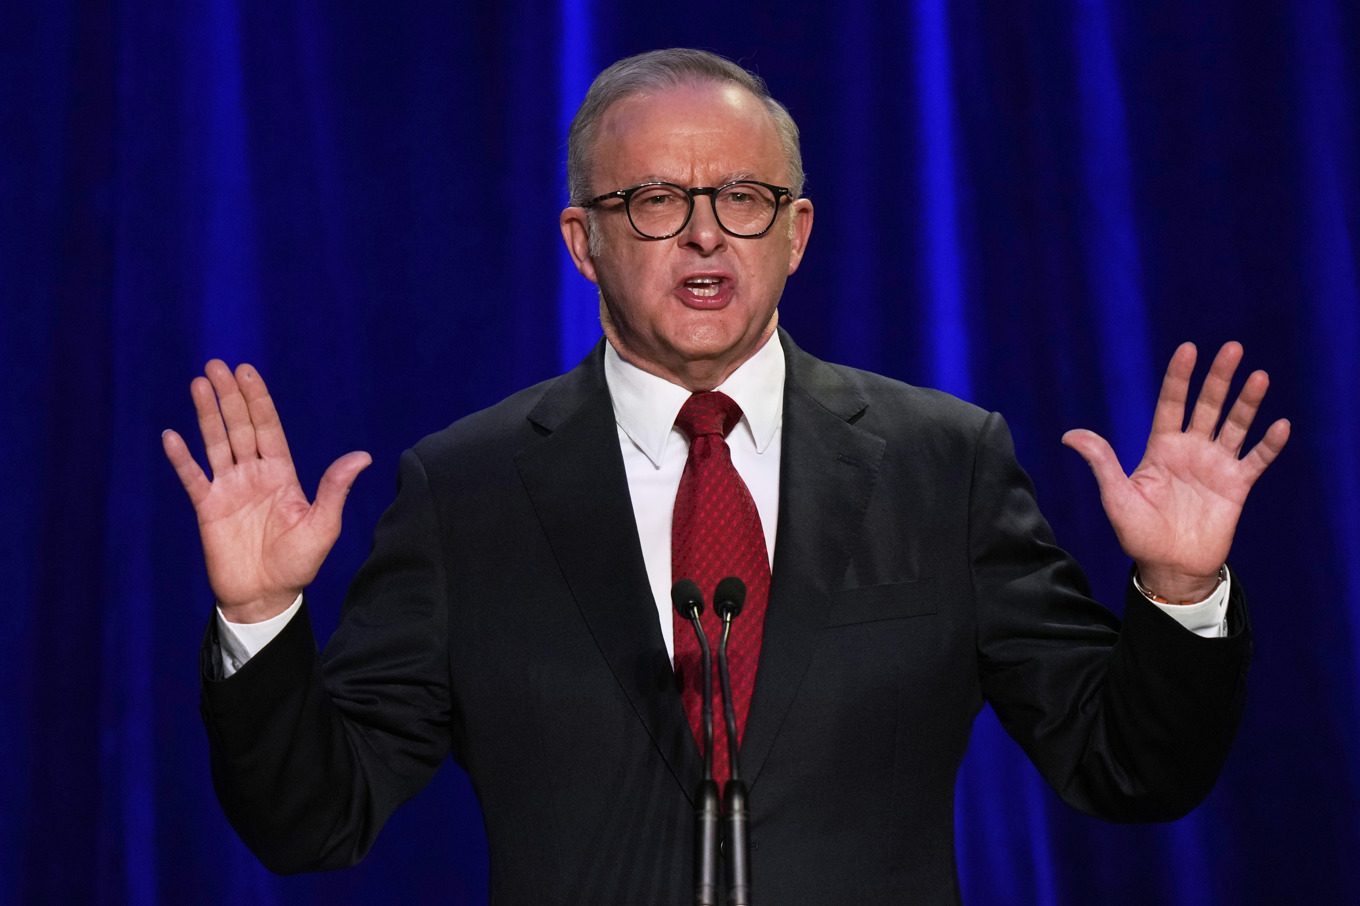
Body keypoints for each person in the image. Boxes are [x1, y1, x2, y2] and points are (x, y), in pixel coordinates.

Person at [162, 49, 1290, 904]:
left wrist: (1179, 595)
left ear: (795, 232)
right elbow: (313, 820)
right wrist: (261, 620)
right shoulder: (466, 492)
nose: (705, 236)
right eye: (655, 200)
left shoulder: (942, 463)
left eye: (742, 199)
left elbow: (1126, 770)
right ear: (582, 242)